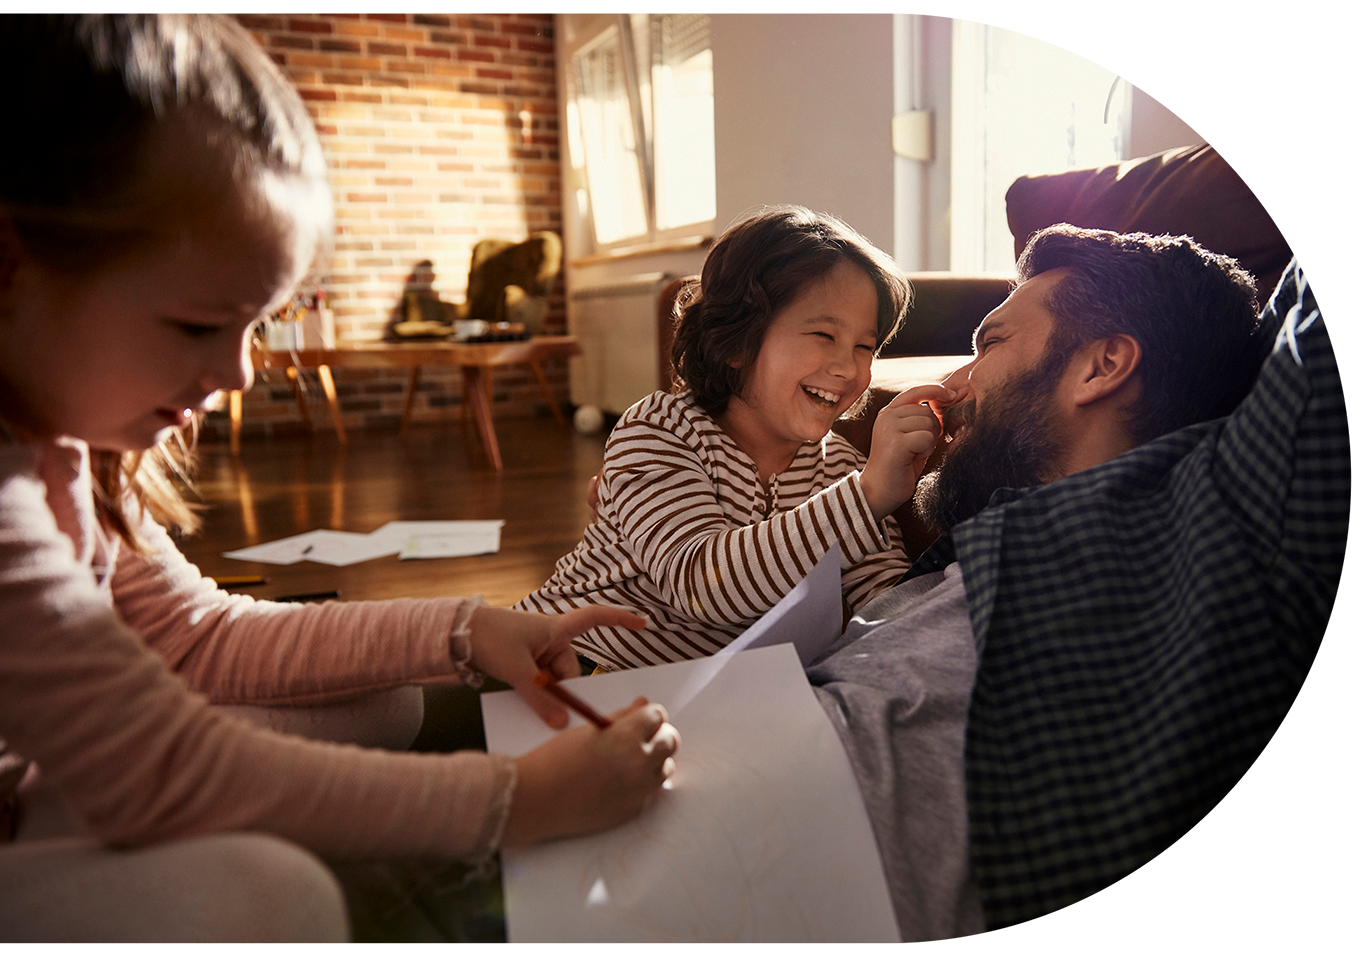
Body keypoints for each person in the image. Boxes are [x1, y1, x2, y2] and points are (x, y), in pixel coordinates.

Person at [0, 14, 678, 942]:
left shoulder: (69, 445)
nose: (241, 373)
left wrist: (469, 628)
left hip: (49, 784)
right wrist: (513, 801)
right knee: (269, 898)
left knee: (384, 698)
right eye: (201, 326)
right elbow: (158, 766)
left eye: (256, 326)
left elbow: (197, 638)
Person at [807, 186, 1350, 942]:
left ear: (1103, 364)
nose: (953, 388)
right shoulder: (970, 549)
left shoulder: (1220, 528)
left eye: (988, 344)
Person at [516, 206, 947, 670]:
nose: (850, 367)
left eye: (866, 346)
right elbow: (701, 587)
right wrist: (868, 496)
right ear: (736, 343)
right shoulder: (659, 429)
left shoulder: (841, 468)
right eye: (824, 334)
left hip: (697, 702)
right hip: (563, 661)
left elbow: (884, 603)